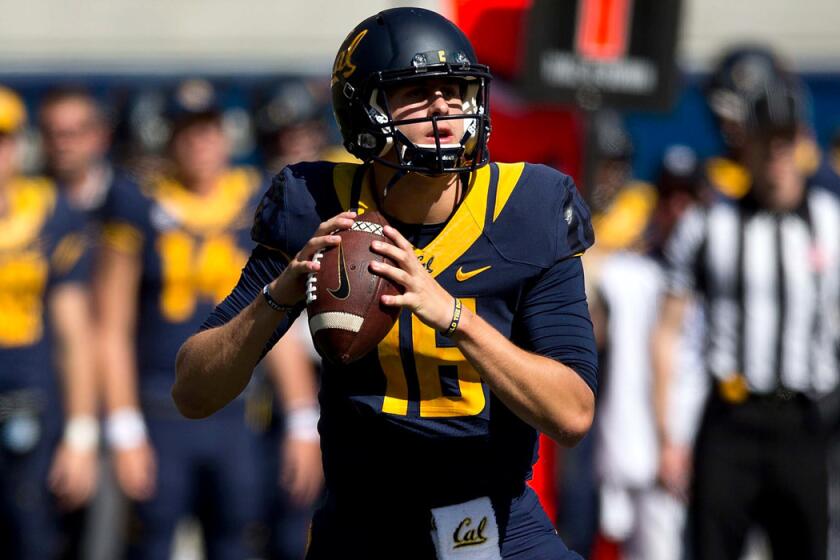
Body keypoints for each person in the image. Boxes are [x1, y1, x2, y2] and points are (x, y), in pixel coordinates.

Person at [173, 7, 597, 560]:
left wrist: (452, 316)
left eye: (456, 89)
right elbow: (192, 391)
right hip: (364, 529)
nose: (444, 108)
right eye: (417, 94)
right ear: (363, 111)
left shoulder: (531, 206)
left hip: (497, 521)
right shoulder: (316, 206)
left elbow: (573, 414)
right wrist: (279, 295)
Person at [96, 78, 321, 559]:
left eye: (209, 129)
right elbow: (110, 328)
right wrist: (123, 426)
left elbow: (273, 317)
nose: (200, 142)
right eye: (187, 131)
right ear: (169, 137)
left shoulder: (255, 199)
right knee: (152, 541)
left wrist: (303, 418)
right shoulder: (139, 203)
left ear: (227, 134)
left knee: (240, 539)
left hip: (238, 413)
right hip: (160, 408)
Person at [653, 79, 837, 560]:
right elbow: (667, 333)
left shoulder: (831, 222)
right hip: (730, 418)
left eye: (785, 138)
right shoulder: (709, 224)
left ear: (802, 142)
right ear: (745, 143)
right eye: (765, 137)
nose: (775, 151)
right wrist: (669, 437)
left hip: (804, 420)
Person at [0, 85, 98, 559]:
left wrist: (80, 435)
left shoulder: (53, 212)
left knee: (35, 537)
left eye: (3, 138)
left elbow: (74, 334)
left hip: (32, 403)